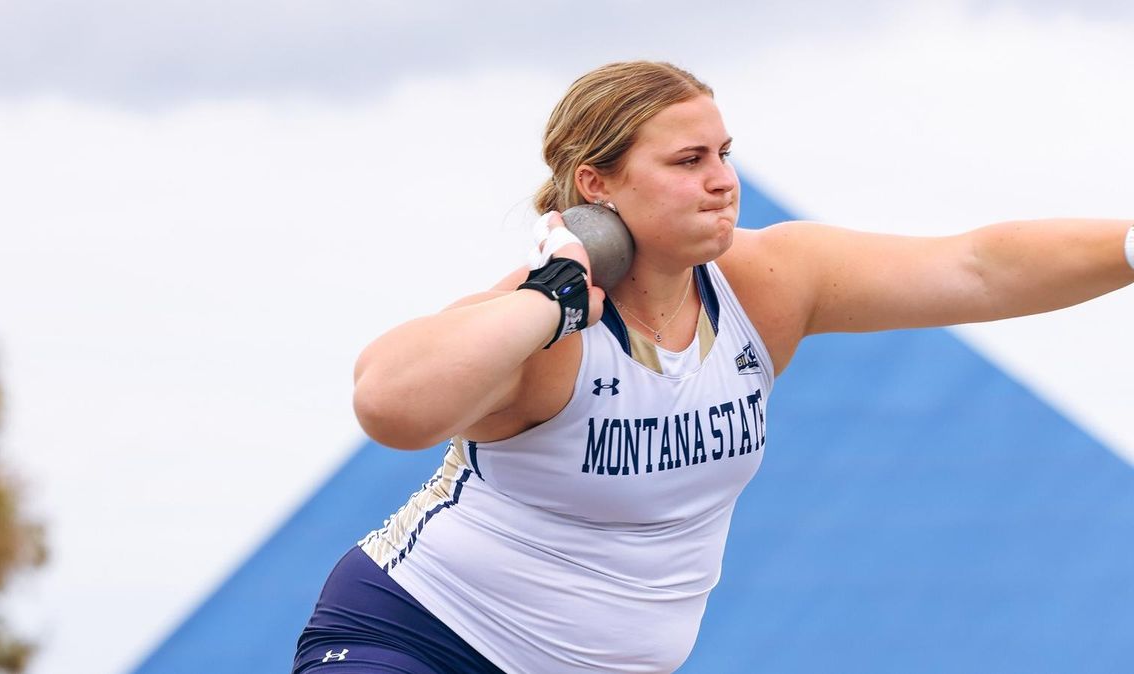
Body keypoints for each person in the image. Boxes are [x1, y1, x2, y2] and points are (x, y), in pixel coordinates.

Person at [293, 61, 1134, 674]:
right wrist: (551, 297)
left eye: (724, 154)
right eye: (688, 162)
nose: (723, 182)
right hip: (416, 640)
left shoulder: (769, 284)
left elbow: (977, 268)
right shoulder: (546, 324)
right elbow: (388, 406)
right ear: (599, 184)